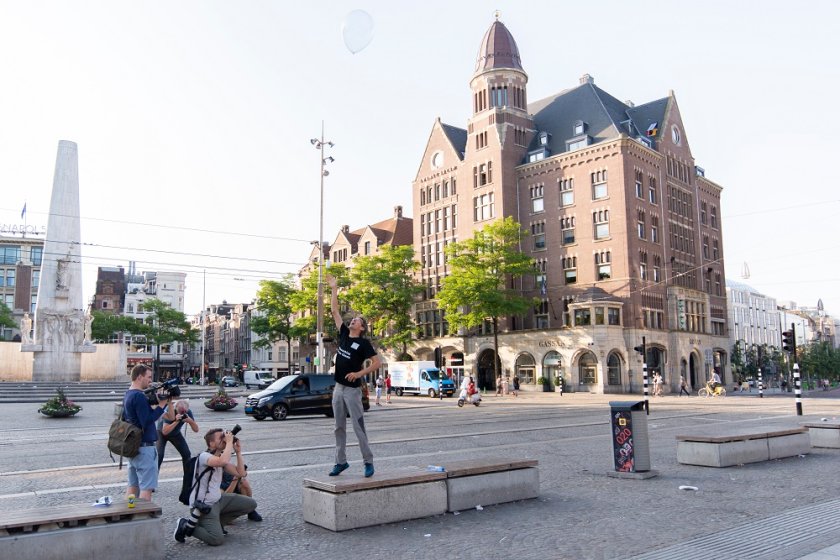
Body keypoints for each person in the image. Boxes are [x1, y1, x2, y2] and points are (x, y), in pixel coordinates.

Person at [327, 275, 381, 478]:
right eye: (353, 319)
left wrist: (359, 373)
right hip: (338, 388)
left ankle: (368, 462)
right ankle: (340, 462)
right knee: (338, 427)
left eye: (357, 320)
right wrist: (334, 289)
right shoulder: (343, 334)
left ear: (362, 328)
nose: (353, 320)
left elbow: (377, 363)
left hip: (352, 390)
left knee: (358, 427)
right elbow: (334, 310)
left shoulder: (364, 343)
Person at [174, 428, 257, 545]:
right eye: (221, 437)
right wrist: (229, 443)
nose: (224, 439)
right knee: (216, 539)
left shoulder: (220, 458)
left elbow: (241, 473)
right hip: (204, 506)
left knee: (251, 504)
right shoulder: (204, 456)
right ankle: (185, 525)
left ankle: (218, 524)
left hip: (218, 501)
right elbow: (222, 462)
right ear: (211, 443)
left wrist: (238, 452)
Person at [124, 364, 175, 502]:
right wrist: (161, 405)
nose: (150, 381)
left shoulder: (128, 394)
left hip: (134, 447)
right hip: (145, 448)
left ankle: (129, 513)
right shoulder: (139, 397)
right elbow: (147, 421)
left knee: (132, 486)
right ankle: (143, 518)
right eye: (148, 377)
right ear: (139, 377)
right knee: (146, 488)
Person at [156, 399, 199, 471]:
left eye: (184, 412)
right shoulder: (169, 411)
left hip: (175, 433)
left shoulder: (188, 412)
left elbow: (196, 430)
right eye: (180, 412)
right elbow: (165, 431)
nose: (182, 413)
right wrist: (176, 421)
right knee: (159, 455)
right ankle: (153, 478)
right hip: (161, 433)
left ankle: (188, 478)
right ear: (175, 408)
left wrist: (190, 421)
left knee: (186, 454)